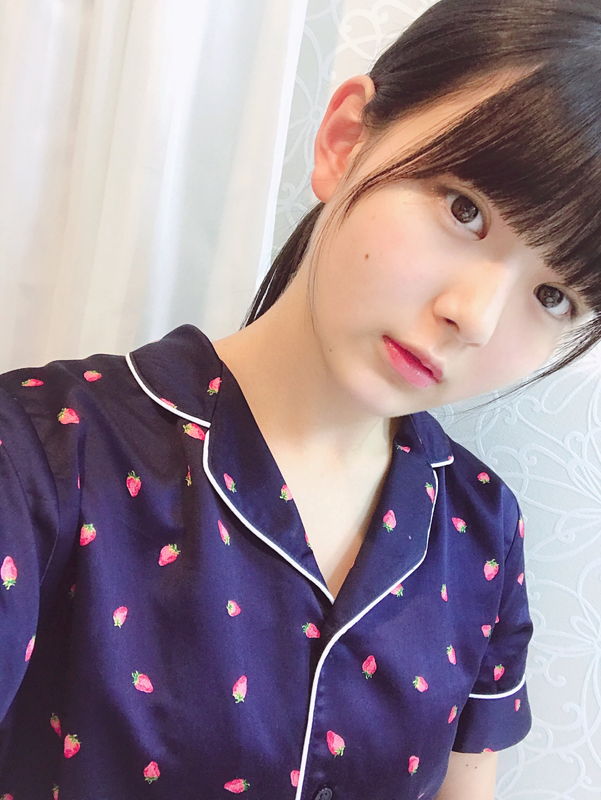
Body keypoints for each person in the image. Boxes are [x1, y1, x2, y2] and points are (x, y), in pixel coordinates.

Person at [1, 0, 600, 797]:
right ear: (344, 140)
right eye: (465, 210)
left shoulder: (483, 528)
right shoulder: (42, 453)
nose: (475, 317)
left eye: (553, 295)